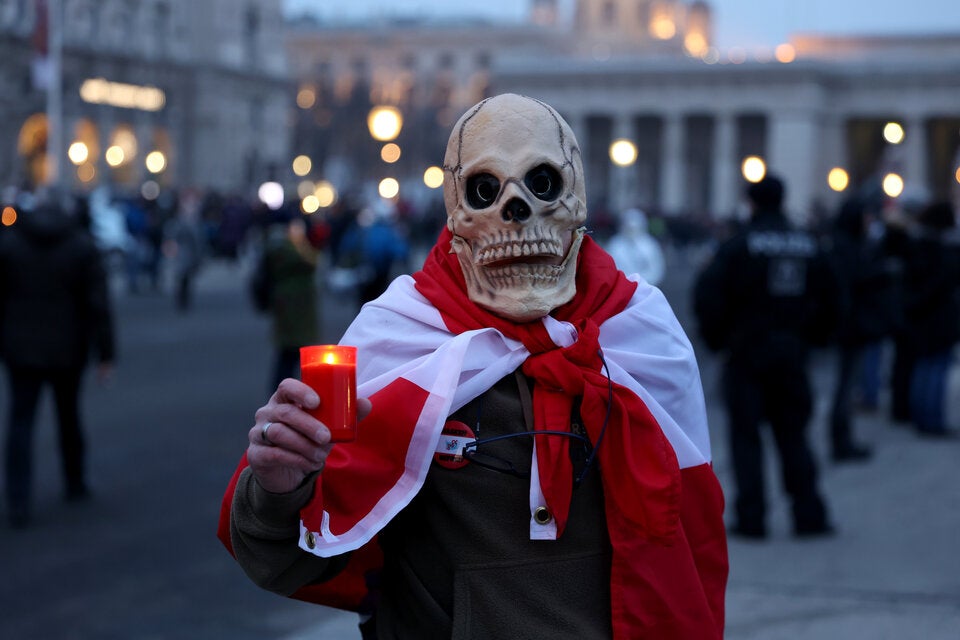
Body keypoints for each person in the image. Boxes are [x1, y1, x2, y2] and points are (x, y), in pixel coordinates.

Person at [218, 94, 727, 638]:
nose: (516, 209)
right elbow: (286, 558)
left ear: (575, 197)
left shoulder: (641, 332)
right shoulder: (400, 333)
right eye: (487, 191)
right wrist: (281, 490)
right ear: (456, 211)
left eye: (541, 184)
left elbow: (690, 544)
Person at [693, 173, 839, 539]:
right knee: (794, 435)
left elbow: (707, 295)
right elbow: (834, 298)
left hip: (747, 353)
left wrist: (720, 340)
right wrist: (814, 339)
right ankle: (808, 513)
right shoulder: (808, 244)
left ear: (752, 203)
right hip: (792, 352)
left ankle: (752, 516)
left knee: (746, 438)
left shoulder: (739, 245)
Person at [0, 192, 116, 528]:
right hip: (68, 347)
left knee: (20, 422)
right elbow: (99, 305)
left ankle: (17, 498)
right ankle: (75, 481)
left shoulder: (11, 244)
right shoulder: (81, 245)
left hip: (20, 347)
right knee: (69, 416)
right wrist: (105, 354)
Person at [824, 197, 902, 461]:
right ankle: (841, 441)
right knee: (845, 387)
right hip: (851, 326)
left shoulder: (846, 244)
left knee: (847, 385)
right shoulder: (846, 246)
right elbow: (853, 280)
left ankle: (843, 438)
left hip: (851, 324)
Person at [901, 201, 960, 436]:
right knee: (936, 367)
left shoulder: (917, 244)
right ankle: (931, 420)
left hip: (921, 314)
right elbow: (945, 281)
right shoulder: (943, 249)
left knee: (924, 366)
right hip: (938, 315)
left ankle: (920, 416)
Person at [254, 211, 321, 391]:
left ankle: (283, 387)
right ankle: (283, 388)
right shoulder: (286, 247)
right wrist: (303, 244)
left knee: (290, 351)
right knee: (292, 350)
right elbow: (310, 261)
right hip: (294, 305)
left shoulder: (276, 246)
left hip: (289, 303)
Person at [604, 207, 666, 286]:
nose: (631, 231)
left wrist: (643, 282)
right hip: (620, 287)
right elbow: (609, 267)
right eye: (629, 228)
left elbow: (656, 268)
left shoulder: (650, 245)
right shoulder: (614, 244)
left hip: (646, 287)